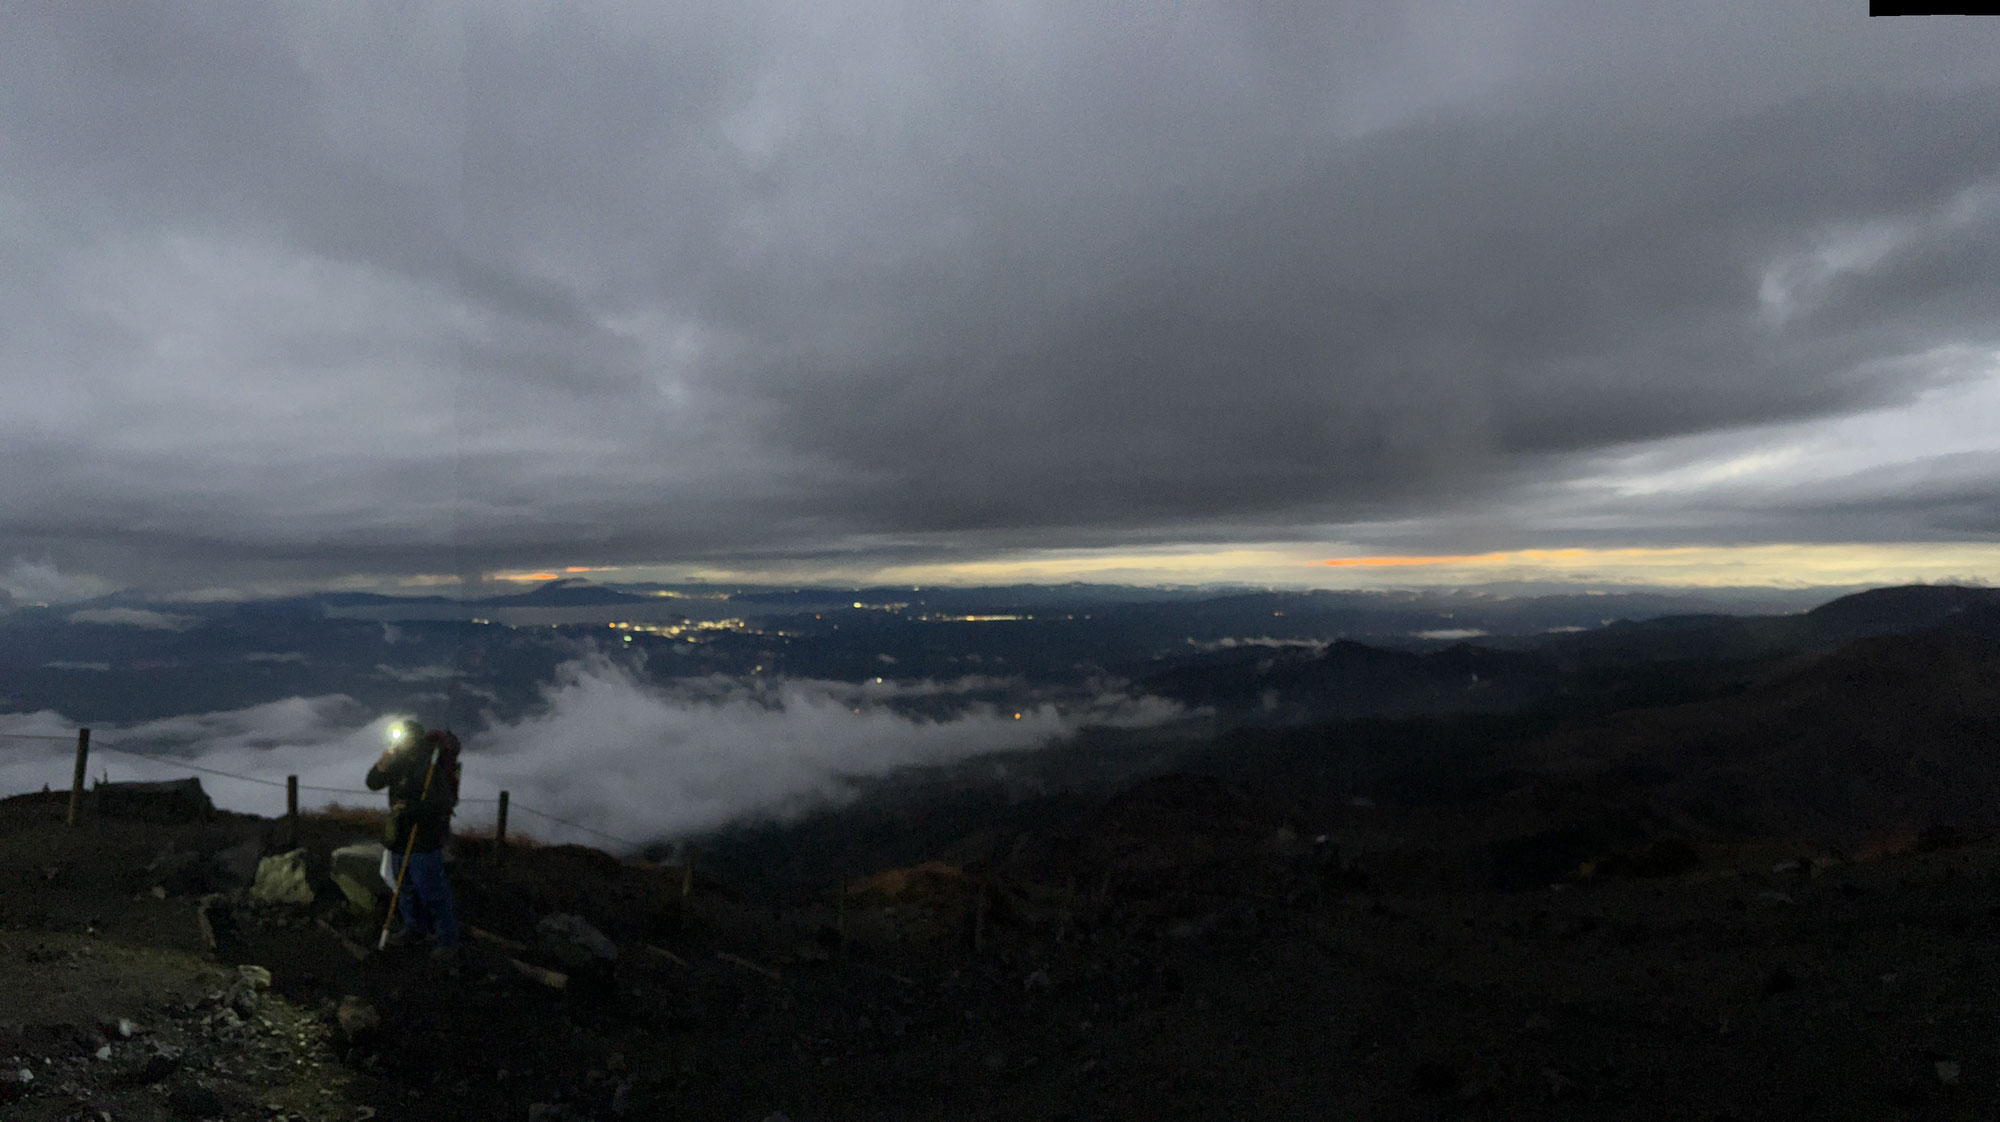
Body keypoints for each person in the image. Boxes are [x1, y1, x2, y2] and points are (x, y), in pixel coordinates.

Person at [366, 718, 460, 957]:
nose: (400, 741)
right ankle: (414, 929)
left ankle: (446, 940)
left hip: (422, 838)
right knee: (404, 886)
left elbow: (439, 803)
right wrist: (382, 762)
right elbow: (373, 783)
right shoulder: (397, 762)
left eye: (404, 737)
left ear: (415, 739)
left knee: (430, 890)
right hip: (399, 836)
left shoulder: (429, 767)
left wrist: (407, 811)